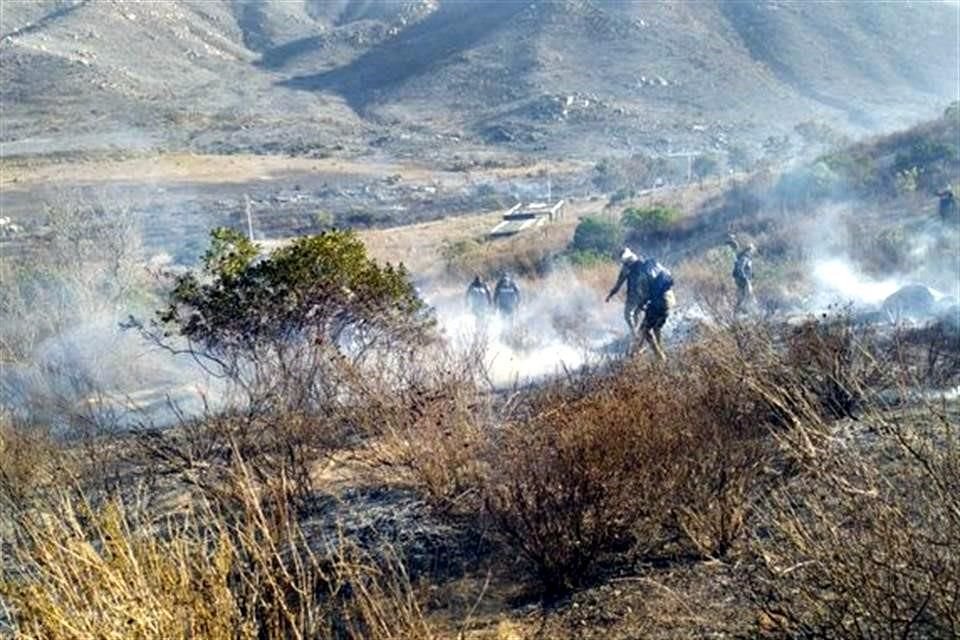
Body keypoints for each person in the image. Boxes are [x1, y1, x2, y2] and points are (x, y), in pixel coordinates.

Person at [606, 248, 675, 361]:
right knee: (656, 327)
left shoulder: (639, 273)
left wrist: (641, 305)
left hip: (659, 302)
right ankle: (659, 351)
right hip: (670, 299)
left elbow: (645, 294)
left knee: (644, 330)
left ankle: (660, 358)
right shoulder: (651, 265)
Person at [727, 235, 756, 315]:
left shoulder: (743, 257)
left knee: (741, 298)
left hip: (740, 280)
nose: (753, 252)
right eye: (752, 250)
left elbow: (744, 269)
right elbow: (740, 268)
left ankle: (737, 314)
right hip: (743, 281)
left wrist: (751, 275)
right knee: (749, 297)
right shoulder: (745, 257)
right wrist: (745, 278)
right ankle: (748, 313)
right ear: (749, 250)